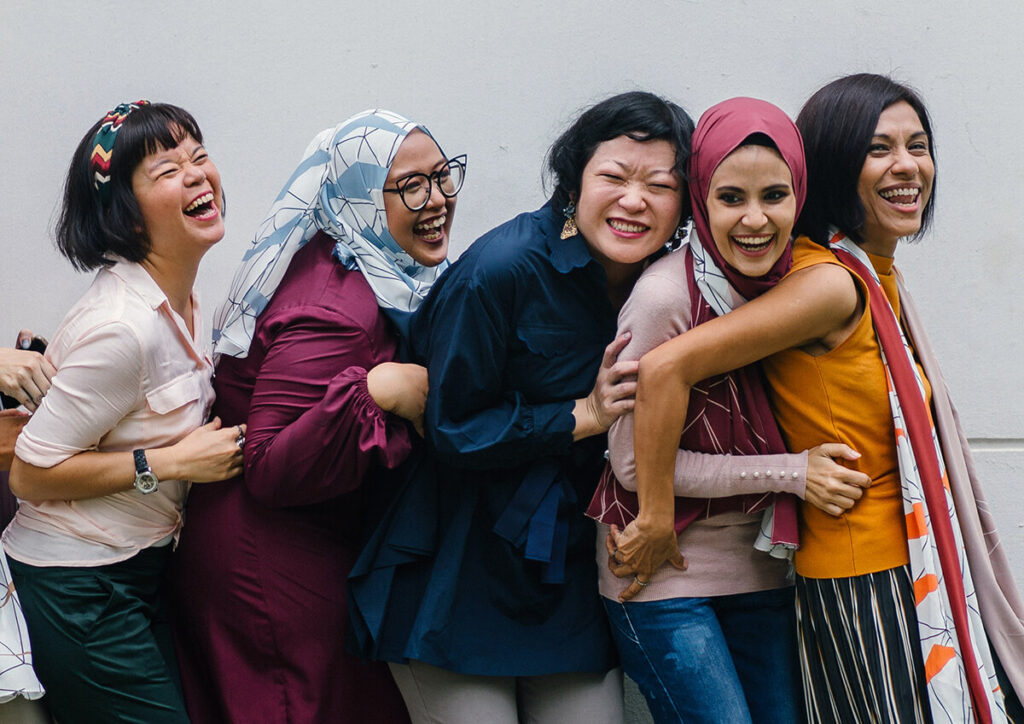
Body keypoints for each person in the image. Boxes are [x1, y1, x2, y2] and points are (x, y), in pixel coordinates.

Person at [612, 74, 1024, 722]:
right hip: (869, 578)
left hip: (894, 570)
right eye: (879, 149)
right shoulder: (829, 284)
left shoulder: (869, 272)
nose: (907, 166)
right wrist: (656, 518)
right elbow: (666, 369)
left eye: (918, 145)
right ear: (834, 165)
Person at [349, 91, 694, 723]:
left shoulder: (672, 286)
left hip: (567, 571)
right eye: (613, 177)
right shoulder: (503, 269)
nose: (634, 200)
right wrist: (578, 417)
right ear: (574, 182)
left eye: (660, 185)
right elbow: (451, 428)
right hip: (457, 566)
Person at [589, 97, 876, 723]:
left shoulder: (795, 287)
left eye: (774, 195)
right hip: (663, 575)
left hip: (763, 571)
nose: (754, 220)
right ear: (700, 199)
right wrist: (793, 472)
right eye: (730, 198)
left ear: (799, 196)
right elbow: (637, 467)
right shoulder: (666, 297)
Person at [170, 109, 461, 723]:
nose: (435, 200)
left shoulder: (363, 261)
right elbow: (270, 464)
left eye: (442, 176)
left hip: (290, 541)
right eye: (410, 185)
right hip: (268, 559)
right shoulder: (337, 305)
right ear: (358, 197)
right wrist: (378, 390)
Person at [4, 101, 243, 724]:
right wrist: (165, 463)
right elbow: (30, 474)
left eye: (198, 156)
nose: (196, 174)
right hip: (77, 584)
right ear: (123, 214)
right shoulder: (125, 328)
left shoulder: (184, 297)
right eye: (166, 170)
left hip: (142, 568)